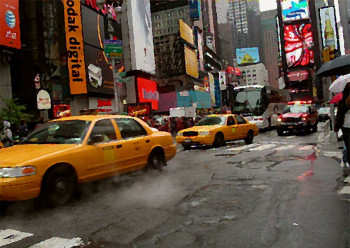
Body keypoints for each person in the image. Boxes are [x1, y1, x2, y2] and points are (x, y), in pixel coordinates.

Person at [335, 83, 350, 177]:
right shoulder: (343, 102)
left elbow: (339, 115)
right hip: (346, 127)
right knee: (348, 146)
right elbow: (340, 114)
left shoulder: (343, 101)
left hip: (345, 126)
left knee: (348, 146)